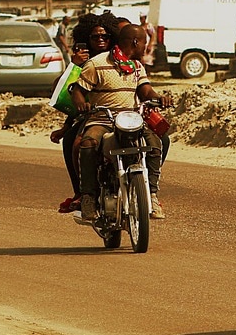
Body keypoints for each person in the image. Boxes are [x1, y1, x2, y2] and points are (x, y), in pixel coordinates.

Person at [71, 23, 173, 222]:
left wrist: (159, 97)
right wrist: (82, 104)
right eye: (144, 42)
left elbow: (145, 91)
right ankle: (88, 197)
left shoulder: (136, 66)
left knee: (155, 143)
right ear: (135, 42)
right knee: (88, 143)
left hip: (131, 119)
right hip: (103, 119)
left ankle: (151, 194)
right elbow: (77, 91)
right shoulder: (96, 64)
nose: (146, 47)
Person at [50, 12, 121, 213]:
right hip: (92, 115)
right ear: (85, 39)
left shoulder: (120, 58)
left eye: (105, 36)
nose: (100, 40)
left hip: (122, 113)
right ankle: (82, 192)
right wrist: (73, 65)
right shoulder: (82, 61)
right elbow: (67, 93)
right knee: (73, 143)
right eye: (95, 37)